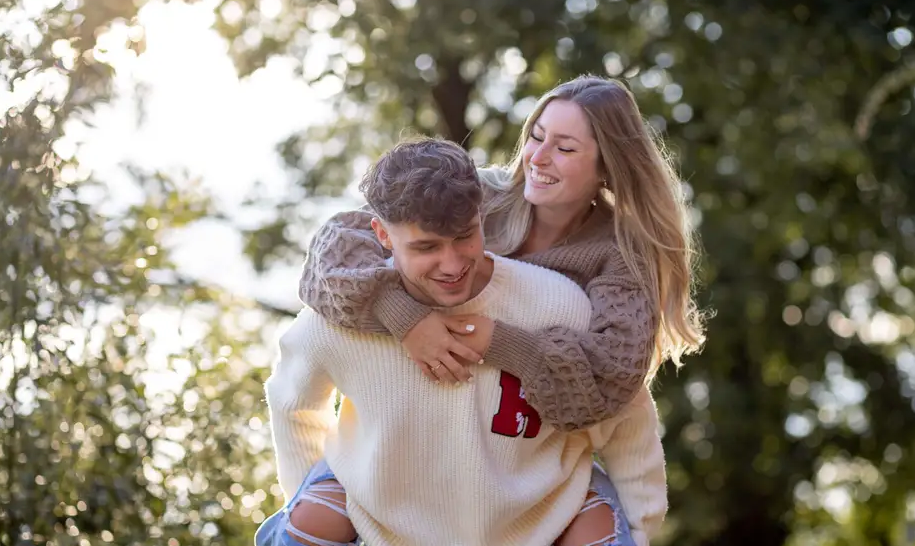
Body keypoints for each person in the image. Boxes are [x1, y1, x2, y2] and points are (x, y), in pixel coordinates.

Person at [256, 138, 666, 546]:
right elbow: (292, 401)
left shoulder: (556, 304)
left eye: (464, 237)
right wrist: (323, 495)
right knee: (293, 533)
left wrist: (639, 538)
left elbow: (626, 419)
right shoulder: (340, 322)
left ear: (481, 218)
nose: (451, 264)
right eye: (426, 247)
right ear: (382, 234)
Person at [298, 74, 704, 433]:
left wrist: (495, 340)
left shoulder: (622, 254)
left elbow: (609, 381)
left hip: (527, 447)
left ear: (607, 168)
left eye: (564, 149)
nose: (537, 158)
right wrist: (408, 320)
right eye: (537, 137)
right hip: (413, 423)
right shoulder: (480, 195)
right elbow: (332, 250)